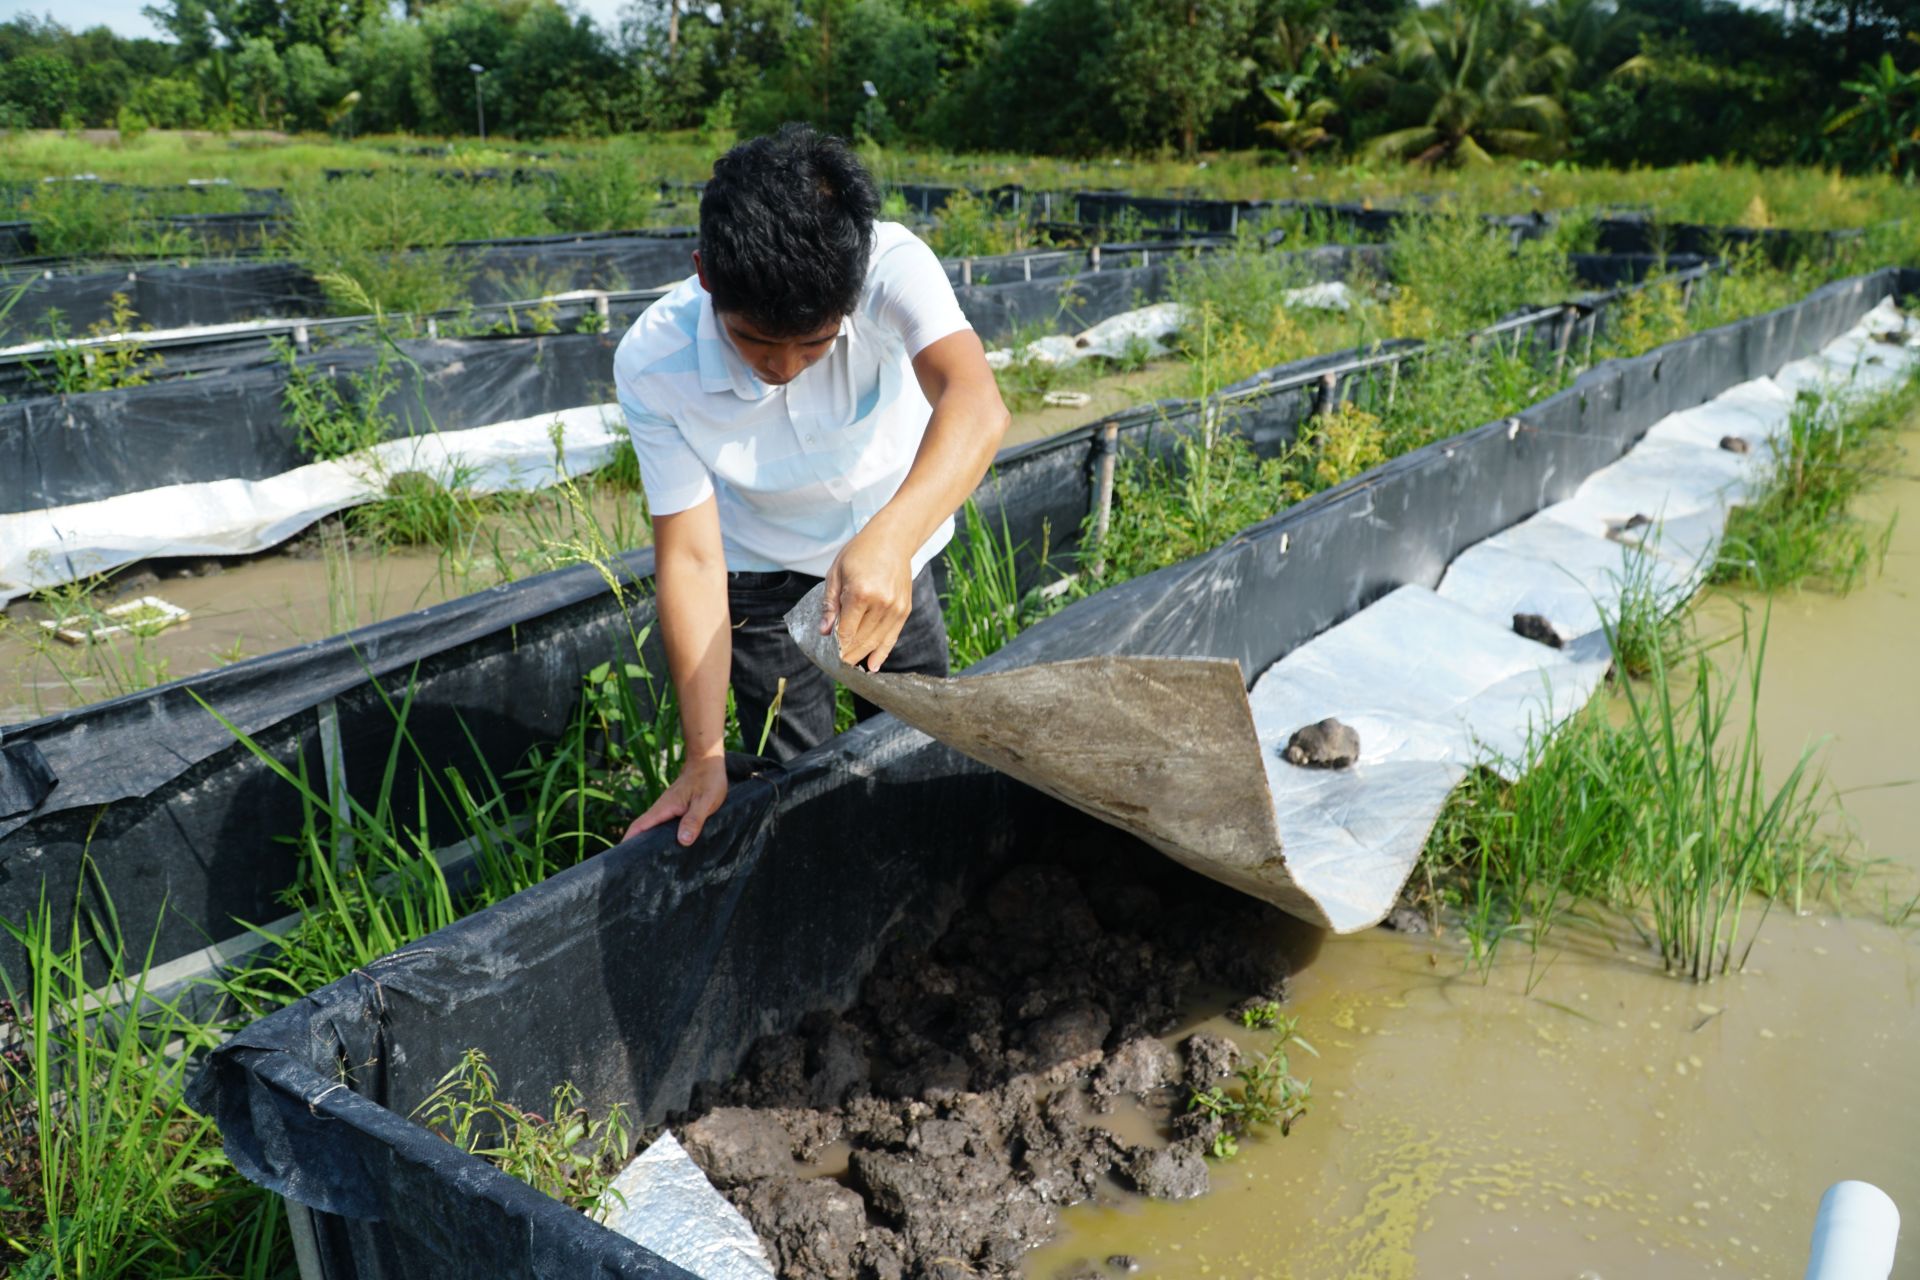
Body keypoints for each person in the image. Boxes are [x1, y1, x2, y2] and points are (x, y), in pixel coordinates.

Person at [613, 124, 1010, 848]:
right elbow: (694, 559)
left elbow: (975, 401)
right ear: (706, 274)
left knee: (915, 736)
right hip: (764, 571)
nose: (787, 365)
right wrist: (703, 757)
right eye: (759, 342)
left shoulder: (890, 263)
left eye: (817, 343)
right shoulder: (653, 363)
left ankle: (922, 860)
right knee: (798, 771)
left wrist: (890, 541)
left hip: (896, 549)